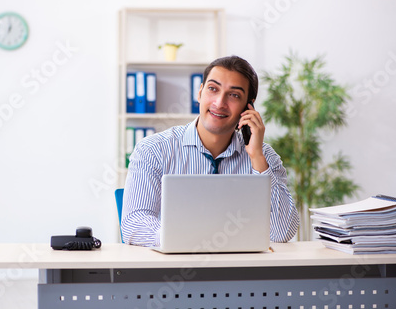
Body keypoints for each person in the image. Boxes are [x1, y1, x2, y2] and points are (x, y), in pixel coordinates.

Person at [121, 55, 299, 247]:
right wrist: (187, 238)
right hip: (173, 267)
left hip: (239, 269)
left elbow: (282, 232)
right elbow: (134, 224)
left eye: (234, 95)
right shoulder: (153, 150)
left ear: (249, 106)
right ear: (200, 93)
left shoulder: (264, 156)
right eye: (213, 89)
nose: (219, 102)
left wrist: (257, 159)